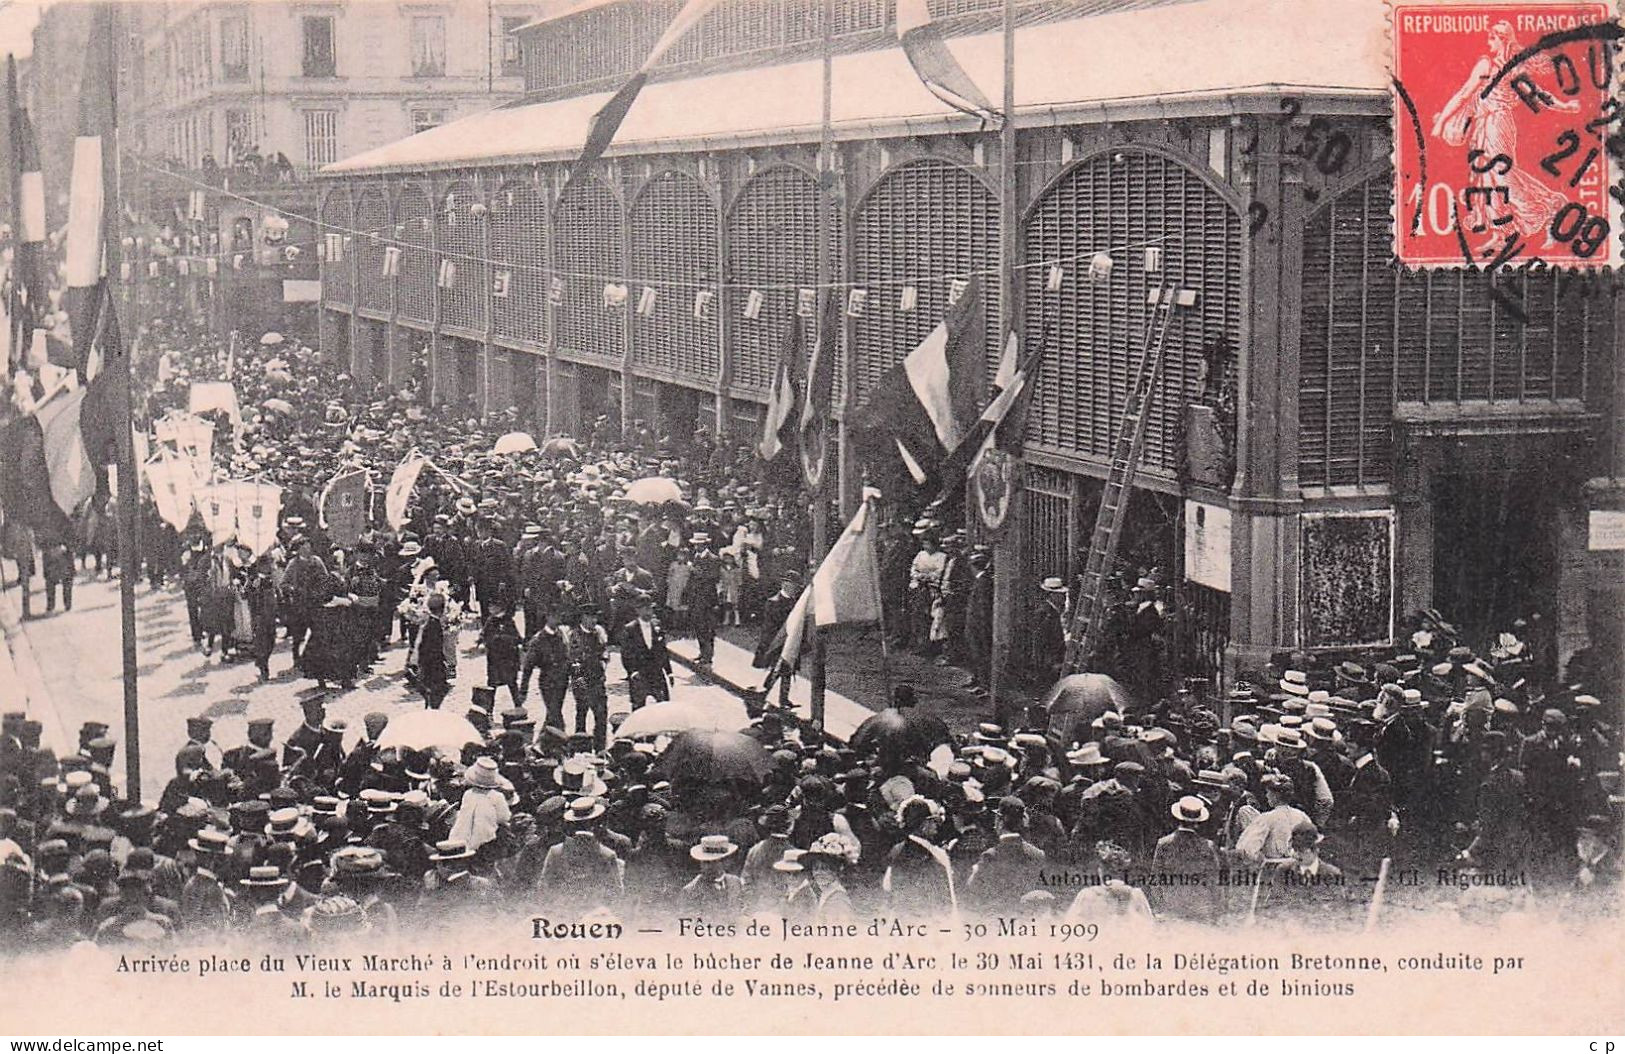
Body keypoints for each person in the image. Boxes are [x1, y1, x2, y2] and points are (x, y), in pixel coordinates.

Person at [1149, 796, 1223, 924]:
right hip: (1200, 906)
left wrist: (1159, 906)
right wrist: (1216, 910)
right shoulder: (1208, 846)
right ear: (1197, 822)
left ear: (1178, 818)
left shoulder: (1164, 843)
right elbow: (1215, 880)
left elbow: (1155, 878)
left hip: (1172, 905)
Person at [618, 593, 671, 710]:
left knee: (663, 705)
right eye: (645, 608)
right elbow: (626, 653)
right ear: (638, 610)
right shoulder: (630, 629)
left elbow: (663, 651)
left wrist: (669, 671)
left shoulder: (657, 627)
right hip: (640, 674)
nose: (648, 612)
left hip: (656, 673)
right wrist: (632, 671)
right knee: (638, 707)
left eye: (650, 608)